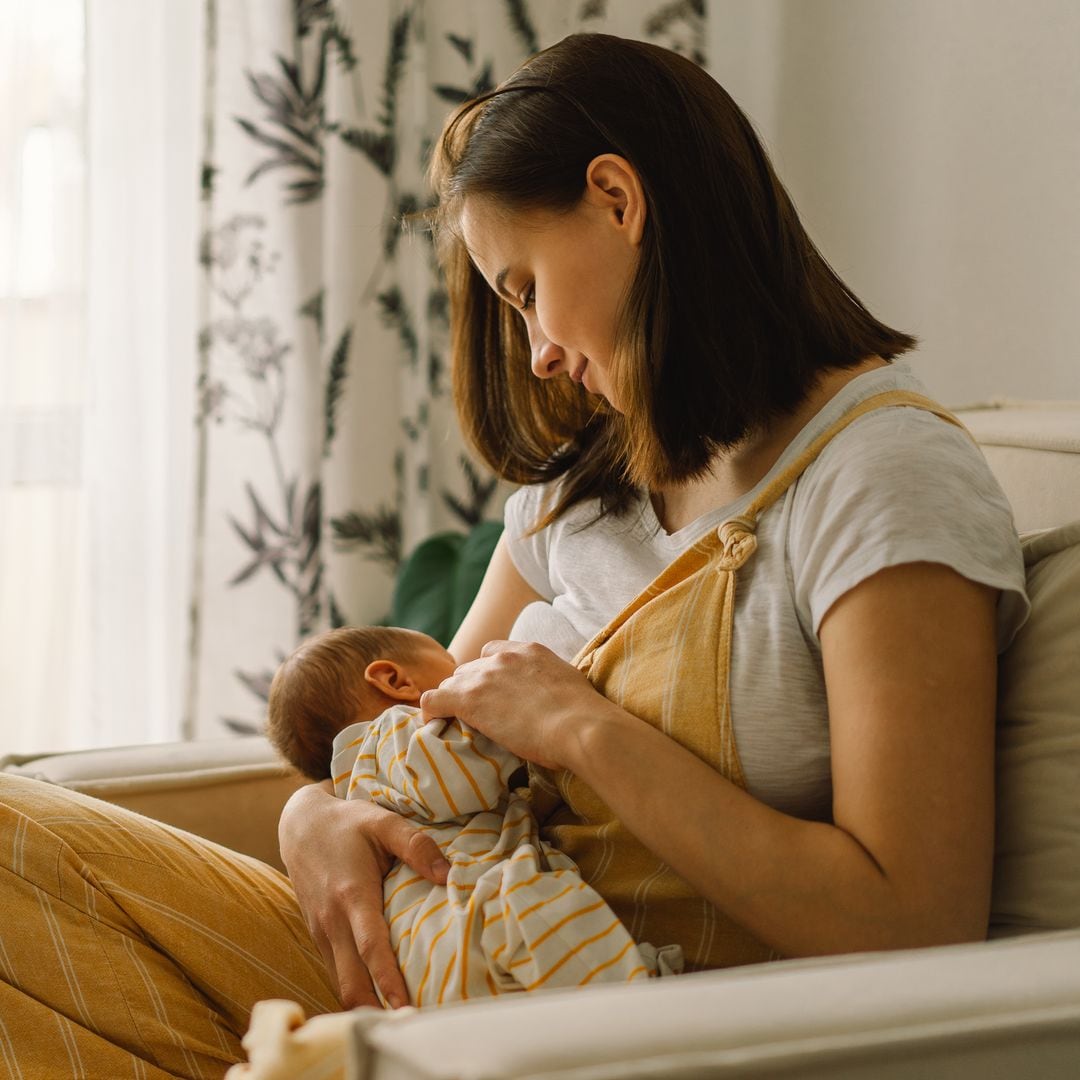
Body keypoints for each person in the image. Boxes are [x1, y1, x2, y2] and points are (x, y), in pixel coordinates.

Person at [0, 31, 1028, 1077]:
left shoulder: (880, 477)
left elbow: (915, 919)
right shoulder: (580, 488)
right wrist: (315, 813)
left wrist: (588, 732)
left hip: (617, 1017)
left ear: (618, 201)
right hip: (438, 975)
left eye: (526, 286)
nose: (536, 350)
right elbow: (420, 747)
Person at [265, 625, 679, 1005]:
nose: (468, 671)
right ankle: (640, 1004)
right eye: (453, 662)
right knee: (575, 963)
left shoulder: (364, 782)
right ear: (395, 680)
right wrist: (517, 713)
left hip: (434, 946)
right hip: (477, 909)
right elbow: (452, 774)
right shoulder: (390, 736)